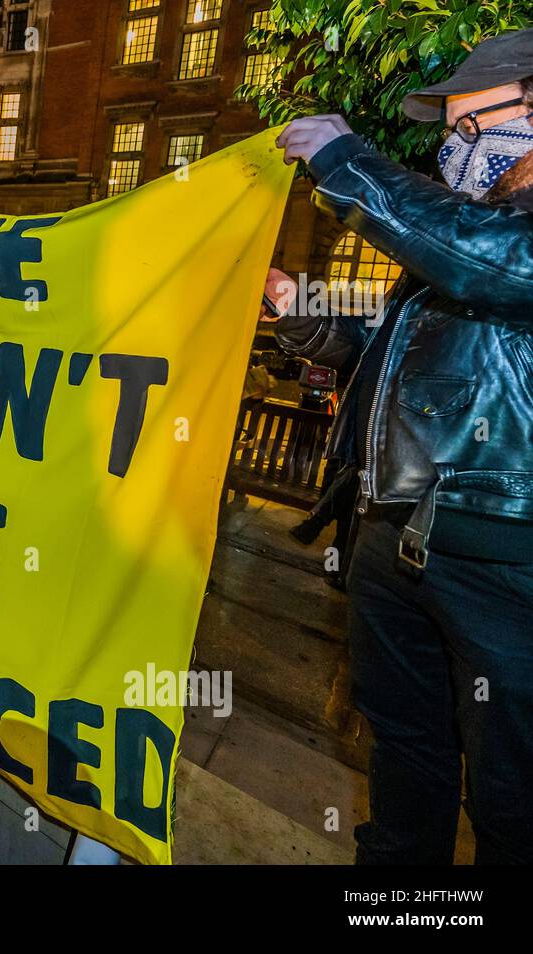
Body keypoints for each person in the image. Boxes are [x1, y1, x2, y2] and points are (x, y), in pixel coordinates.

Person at [272, 28, 533, 865]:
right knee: (404, 754)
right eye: (448, 131)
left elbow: (495, 267)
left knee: (512, 795)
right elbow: (400, 341)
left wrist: (352, 167)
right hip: (396, 537)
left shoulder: (482, 239)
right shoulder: (462, 232)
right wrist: (311, 321)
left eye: (471, 125)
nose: (454, 148)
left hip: (505, 565)